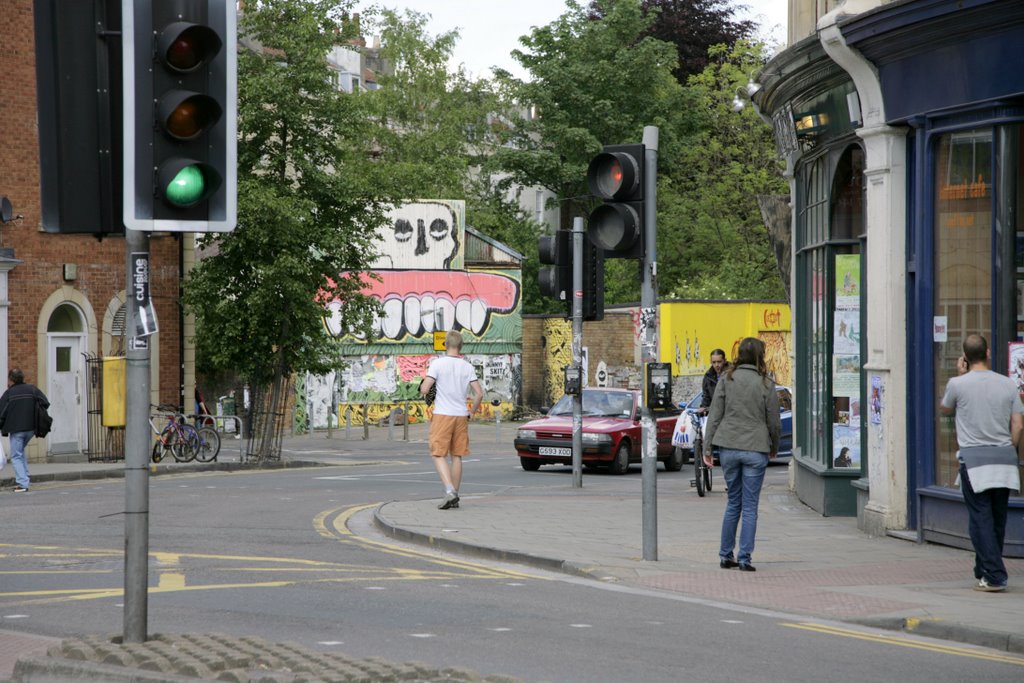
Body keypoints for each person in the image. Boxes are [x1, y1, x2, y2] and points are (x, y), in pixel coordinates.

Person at [940, 334, 1022, 592]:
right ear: (988, 353)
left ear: (965, 357)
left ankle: (995, 575)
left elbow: (946, 409)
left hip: (974, 462)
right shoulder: (1008, 384)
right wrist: (1010, 448)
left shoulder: (957, 384)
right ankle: (984, 569)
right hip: (1005, 460)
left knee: (980, 519)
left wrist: (960, 375)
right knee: (997, 519)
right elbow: (1018, 424)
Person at [703, 338, 780, 572]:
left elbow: (715, 414)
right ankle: (745, 558)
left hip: (728, 447)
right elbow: (774, 422)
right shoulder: (766, 383)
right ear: (760, 355)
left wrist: (708, 448)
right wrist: (774, 447)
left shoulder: (727, 379)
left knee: (733, 502)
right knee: (750, 506)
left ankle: (726, 555)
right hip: (755, 448)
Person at [420, 330, 484, 510]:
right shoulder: (467, 366)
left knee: (438, 453)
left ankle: (449, 491)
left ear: (445, 345)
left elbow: (425, 389)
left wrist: (425, 385)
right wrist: (472, 412)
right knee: (457, 455)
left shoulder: (437, 364)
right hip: (461, 415)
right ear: (460, 346)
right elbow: (479, 394)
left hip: (443, 414)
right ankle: (455, 494)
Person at [0, 368, 50, 493]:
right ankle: (25, 478)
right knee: (20, 452)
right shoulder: (32, 389)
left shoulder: (9, 393)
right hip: (31, 428)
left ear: (11, 379)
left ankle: (22, 484)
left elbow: (1, 412)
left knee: (16, 455)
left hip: (16, 429)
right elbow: (45, 403)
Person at [699, 349, 728, 414]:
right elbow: (706, 396)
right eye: (714, 362)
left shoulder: (732, 374)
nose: (716, 365)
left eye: (719, 362)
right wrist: (703, 408)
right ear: (710, 362)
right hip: (715, 415)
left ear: (724, 361)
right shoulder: (708, 376)